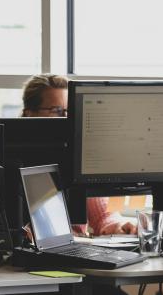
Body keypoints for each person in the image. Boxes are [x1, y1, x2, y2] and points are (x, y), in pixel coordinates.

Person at [21, 74, 136, 236]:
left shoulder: (78, 155)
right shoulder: (13, 158)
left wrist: (119, 225)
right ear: (29, 113)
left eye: (70, 111)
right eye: (57, 111)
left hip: (72, 251)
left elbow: (103, 215)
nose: (67, 119)